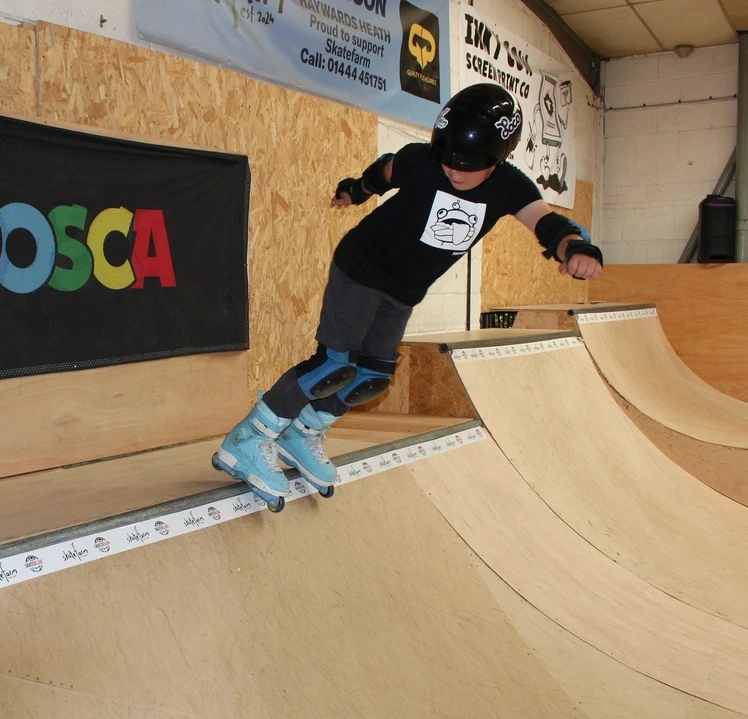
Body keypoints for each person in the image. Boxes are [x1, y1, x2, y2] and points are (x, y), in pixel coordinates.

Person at [214, 83, 603, 505]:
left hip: (403, 292)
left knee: (372, 378)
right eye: (447, 158)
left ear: (497, 160)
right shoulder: (421, 161)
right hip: (361, 268)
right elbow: (383, 170)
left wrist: (576, 249)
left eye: (467, 165)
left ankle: (303, 430)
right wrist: (356, 190)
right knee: (333, 367)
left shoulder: (510, 188)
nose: (454, 171)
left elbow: (549, 225)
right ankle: (249, 437)